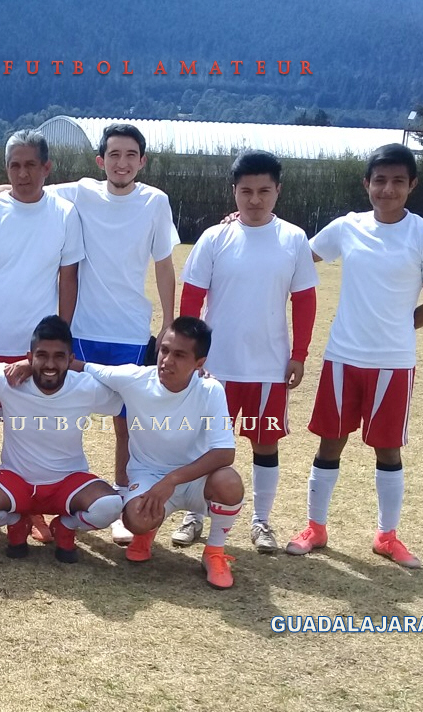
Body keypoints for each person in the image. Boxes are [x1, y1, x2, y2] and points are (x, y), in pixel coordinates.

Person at [0, 123, 178, 546]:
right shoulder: (79, 192)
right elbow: (23, 184)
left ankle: (119, 501)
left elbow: (161, 265)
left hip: (124, 332)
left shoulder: (150, 202)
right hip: (57, 333)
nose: (121, 163)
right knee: (11, 417)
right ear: (101, 160)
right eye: (113, 155)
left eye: (130, 155)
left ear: (142, 160)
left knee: (122, 423)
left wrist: (169, 322)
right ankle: (9, 501)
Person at [286, 144, 423, 569]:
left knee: (387, 449)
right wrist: (243, 222)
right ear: (366, 184)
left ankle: (386, 536)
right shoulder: (347, 227)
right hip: (342, 358)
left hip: (393, 363)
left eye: (398, 181)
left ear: (412, 185)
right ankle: (315, 528)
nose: (388, 189)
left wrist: (396, 329)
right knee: (330, 443)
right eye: (380, 180)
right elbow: (295, 254)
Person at [170, 150, 318, 553]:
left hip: (269, 368)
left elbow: (304, 300)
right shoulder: (215, 237)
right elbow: (192, 297)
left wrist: (299, 354)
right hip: (215, 368)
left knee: (265, 444)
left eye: (264, 191)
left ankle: (261, 521)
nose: (255, 199)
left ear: (278, 191)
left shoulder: (293, 239)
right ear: (234, 191)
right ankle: (194, 516)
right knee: (204, 444)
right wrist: (189, 356)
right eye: (246, 191)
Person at [0, 129, 85, 540]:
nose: (22, 174)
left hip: (38, 350)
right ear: (5, 168)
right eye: (14, 165)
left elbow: (68, 280)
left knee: (32, 431)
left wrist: (59, 344)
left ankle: (34, 510)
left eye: (30, 165)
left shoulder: (65, 213)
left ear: (47, 167)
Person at [0, 315, 124, 563]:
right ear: (29, 357)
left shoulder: (86, 387)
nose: (50, 364)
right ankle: (17, 521)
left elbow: (126, 391)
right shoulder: (9, 379)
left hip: (68, 482)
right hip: (17, 481)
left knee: (110, 506)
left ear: (71, 359)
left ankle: (66, 526)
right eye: (42, 356)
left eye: (59, 356)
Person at [86, 317, 245, 589]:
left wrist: (171, 480)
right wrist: (29, 365)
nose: (167, 360)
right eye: (164, 350)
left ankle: (214, 552)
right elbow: (83, 367)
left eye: (179, 355)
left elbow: (224, 453)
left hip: (193, 480)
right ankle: (146, 532)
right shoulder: (135, 378)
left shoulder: (210, 389)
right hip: (148, 477)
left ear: (199, 363)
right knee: (135, 519)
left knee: (229, 483)